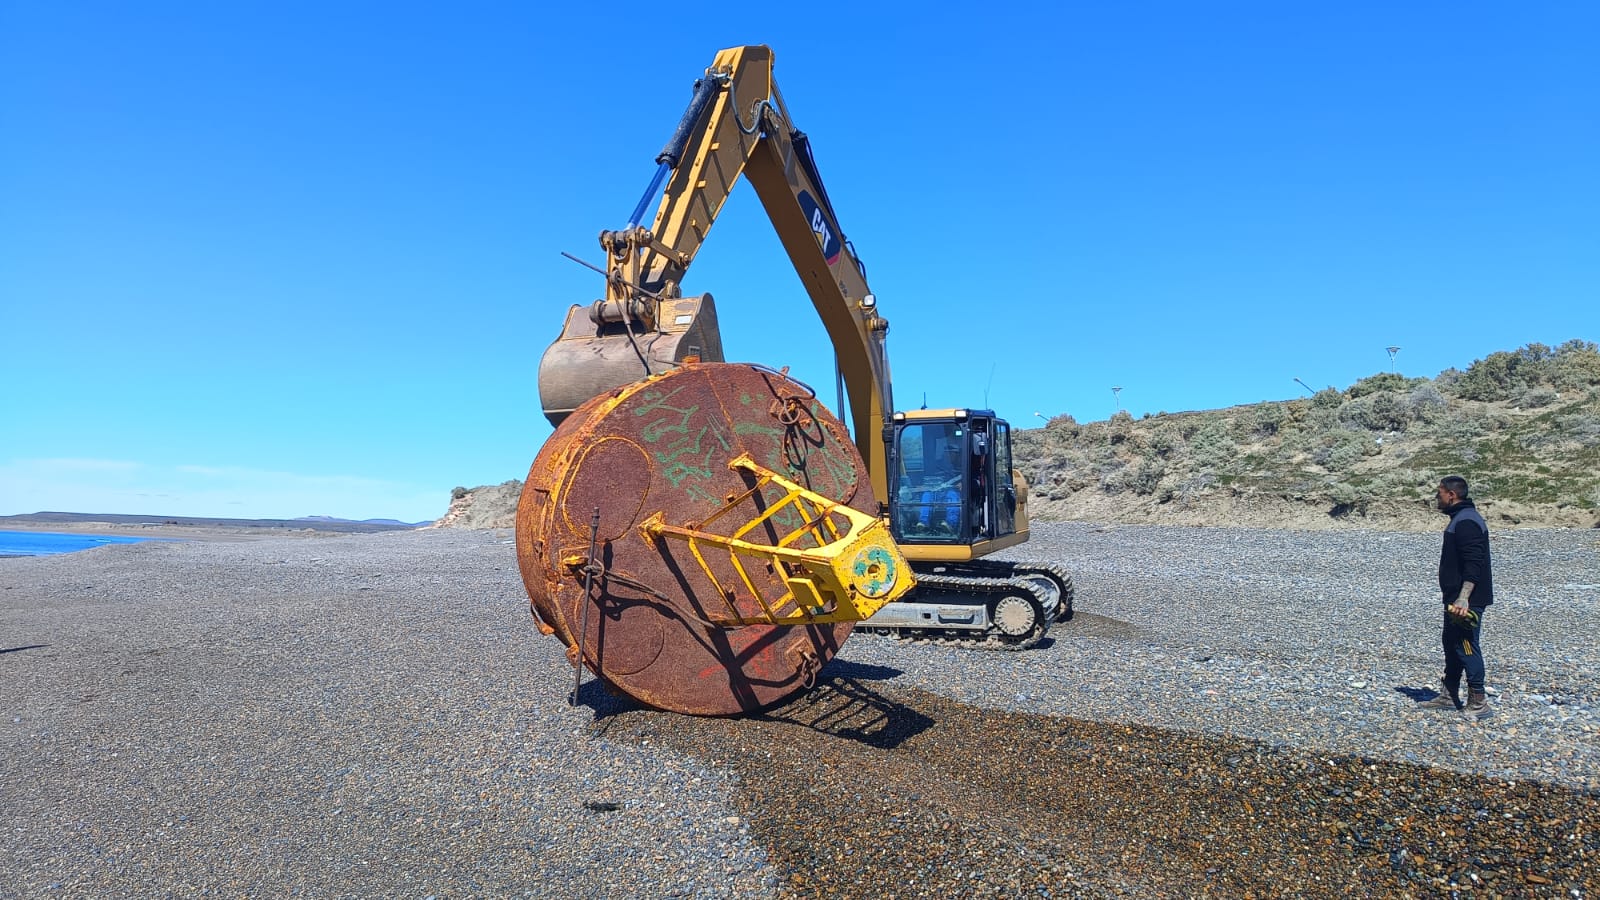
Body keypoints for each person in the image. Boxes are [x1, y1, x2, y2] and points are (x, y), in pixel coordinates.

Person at [1417, 475, 1494, 718]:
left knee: (1466, 645)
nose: (1436, 497)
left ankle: (1478, 702)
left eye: (1439, 493)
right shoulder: (1460, 518)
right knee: (1451, 644)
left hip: (1467, 600)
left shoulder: (1467, 521)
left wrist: (1464, 597)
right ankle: (1449, 695)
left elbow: (1474, 563)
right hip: (1455, 598)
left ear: (1452, 495)